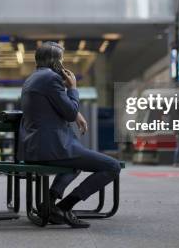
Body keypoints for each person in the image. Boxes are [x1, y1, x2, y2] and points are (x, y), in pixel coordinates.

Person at [17, 42, 121, 228]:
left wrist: (75, 111)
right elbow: (70, 112)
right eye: (61, 59)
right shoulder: (51, 79)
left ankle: (48, 203)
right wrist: (73, 88)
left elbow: (58, 107)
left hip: (36, 147)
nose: (63, 63)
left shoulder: (34, 78)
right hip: (53, 149)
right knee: (112, 166)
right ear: (56, 61)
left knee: (76, 165)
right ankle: (65, 207)